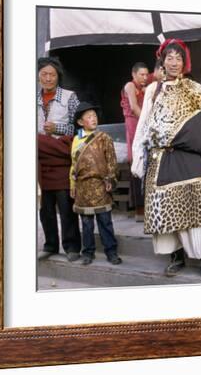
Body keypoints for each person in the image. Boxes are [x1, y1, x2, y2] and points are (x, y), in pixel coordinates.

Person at [132, 38, 201, 279]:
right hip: (161, 157)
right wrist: (138, 154)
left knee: (197, 204)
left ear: (184, 62)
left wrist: (177, 135)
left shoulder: (195, 89)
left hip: (189, 158)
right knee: (165, 207)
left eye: (178, 57)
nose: (174, 62)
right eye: (169, 57)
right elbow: (144, 123)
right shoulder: (152, 91)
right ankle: (175, 255)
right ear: (162, 62)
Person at [36, 57, 82, 261]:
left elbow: (81, 129)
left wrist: (58, 129)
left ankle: (72, 247)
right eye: (44, 74)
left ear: (58, 77)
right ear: (38, 76)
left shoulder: (70, 97)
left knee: (66, 205)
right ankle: (50, 245)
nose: (48, 78)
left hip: (62, 159)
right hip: (40, 162)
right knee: (45, 207)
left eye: (52, 74)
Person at [70, 102, 122, 265]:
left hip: (100, 185)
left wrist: (110, 179)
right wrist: (72, 184)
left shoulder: (104, 138)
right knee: (86, 223)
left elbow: (112, 161)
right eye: (89, 117)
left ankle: (111, 252)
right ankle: (88, 253)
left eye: (94, 116)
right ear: (80, 122)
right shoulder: (76, 140)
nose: (93, 119)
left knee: (105, 221)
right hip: (83, 188)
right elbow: (73, 164)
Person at [120, 62, 149, 221]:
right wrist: (149, 121)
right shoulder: (130, 85)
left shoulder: (146, 87)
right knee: (136, 163)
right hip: (134, 125)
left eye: (146, 74)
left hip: (143, 126)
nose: (144, 78)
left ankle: (147, 207)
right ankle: (139, 210)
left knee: (147, 164)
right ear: (134, 74)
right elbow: (133, 106)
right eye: (141, 75)